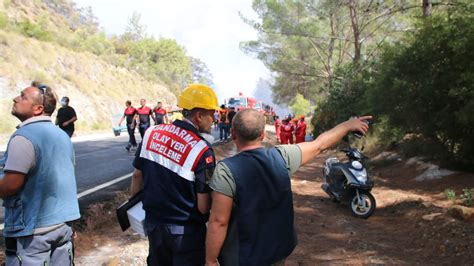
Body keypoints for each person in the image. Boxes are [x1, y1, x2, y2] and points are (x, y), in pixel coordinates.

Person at [205, 109, 371, 265]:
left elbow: (219, 221)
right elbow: (320, 144)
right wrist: (348, 125)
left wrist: (211, 260)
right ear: (262, 135)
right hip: (277, 251)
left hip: (244, 255)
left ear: (233, 134)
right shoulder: (282, 157)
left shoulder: (226, 170)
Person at [130, 84, 219, 265]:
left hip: (154, 225)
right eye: (212, 114)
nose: (214, 119)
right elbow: (203, 207)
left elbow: (137, 176)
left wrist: (135, 210)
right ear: (199, 116)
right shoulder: (202, 150)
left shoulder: (151, 133)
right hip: (186, 234)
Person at [2, 83, 81, 265]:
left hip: (33, 231)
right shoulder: (61, 135)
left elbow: (11, 184)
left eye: (23, 97)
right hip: (63, 225)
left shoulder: (23, 137)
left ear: (38, 109)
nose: (15, 99)